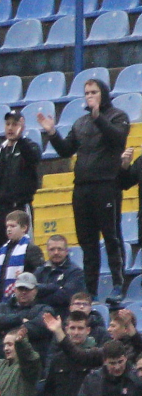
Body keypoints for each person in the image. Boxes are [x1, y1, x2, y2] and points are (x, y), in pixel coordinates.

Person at [40, 79, 131, 296]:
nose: (89, 96)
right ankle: (90, 290)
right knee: (87, 241)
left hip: (107, 184)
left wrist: (98, 116)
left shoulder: (118, 116)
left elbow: (117, 139)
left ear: (104, 94)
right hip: (82, 188)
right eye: (87, 92)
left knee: (111, 236)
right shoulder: (80, 122)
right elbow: (65, 150)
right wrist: (52, 133)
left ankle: (119, 284)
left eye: (94, 92)